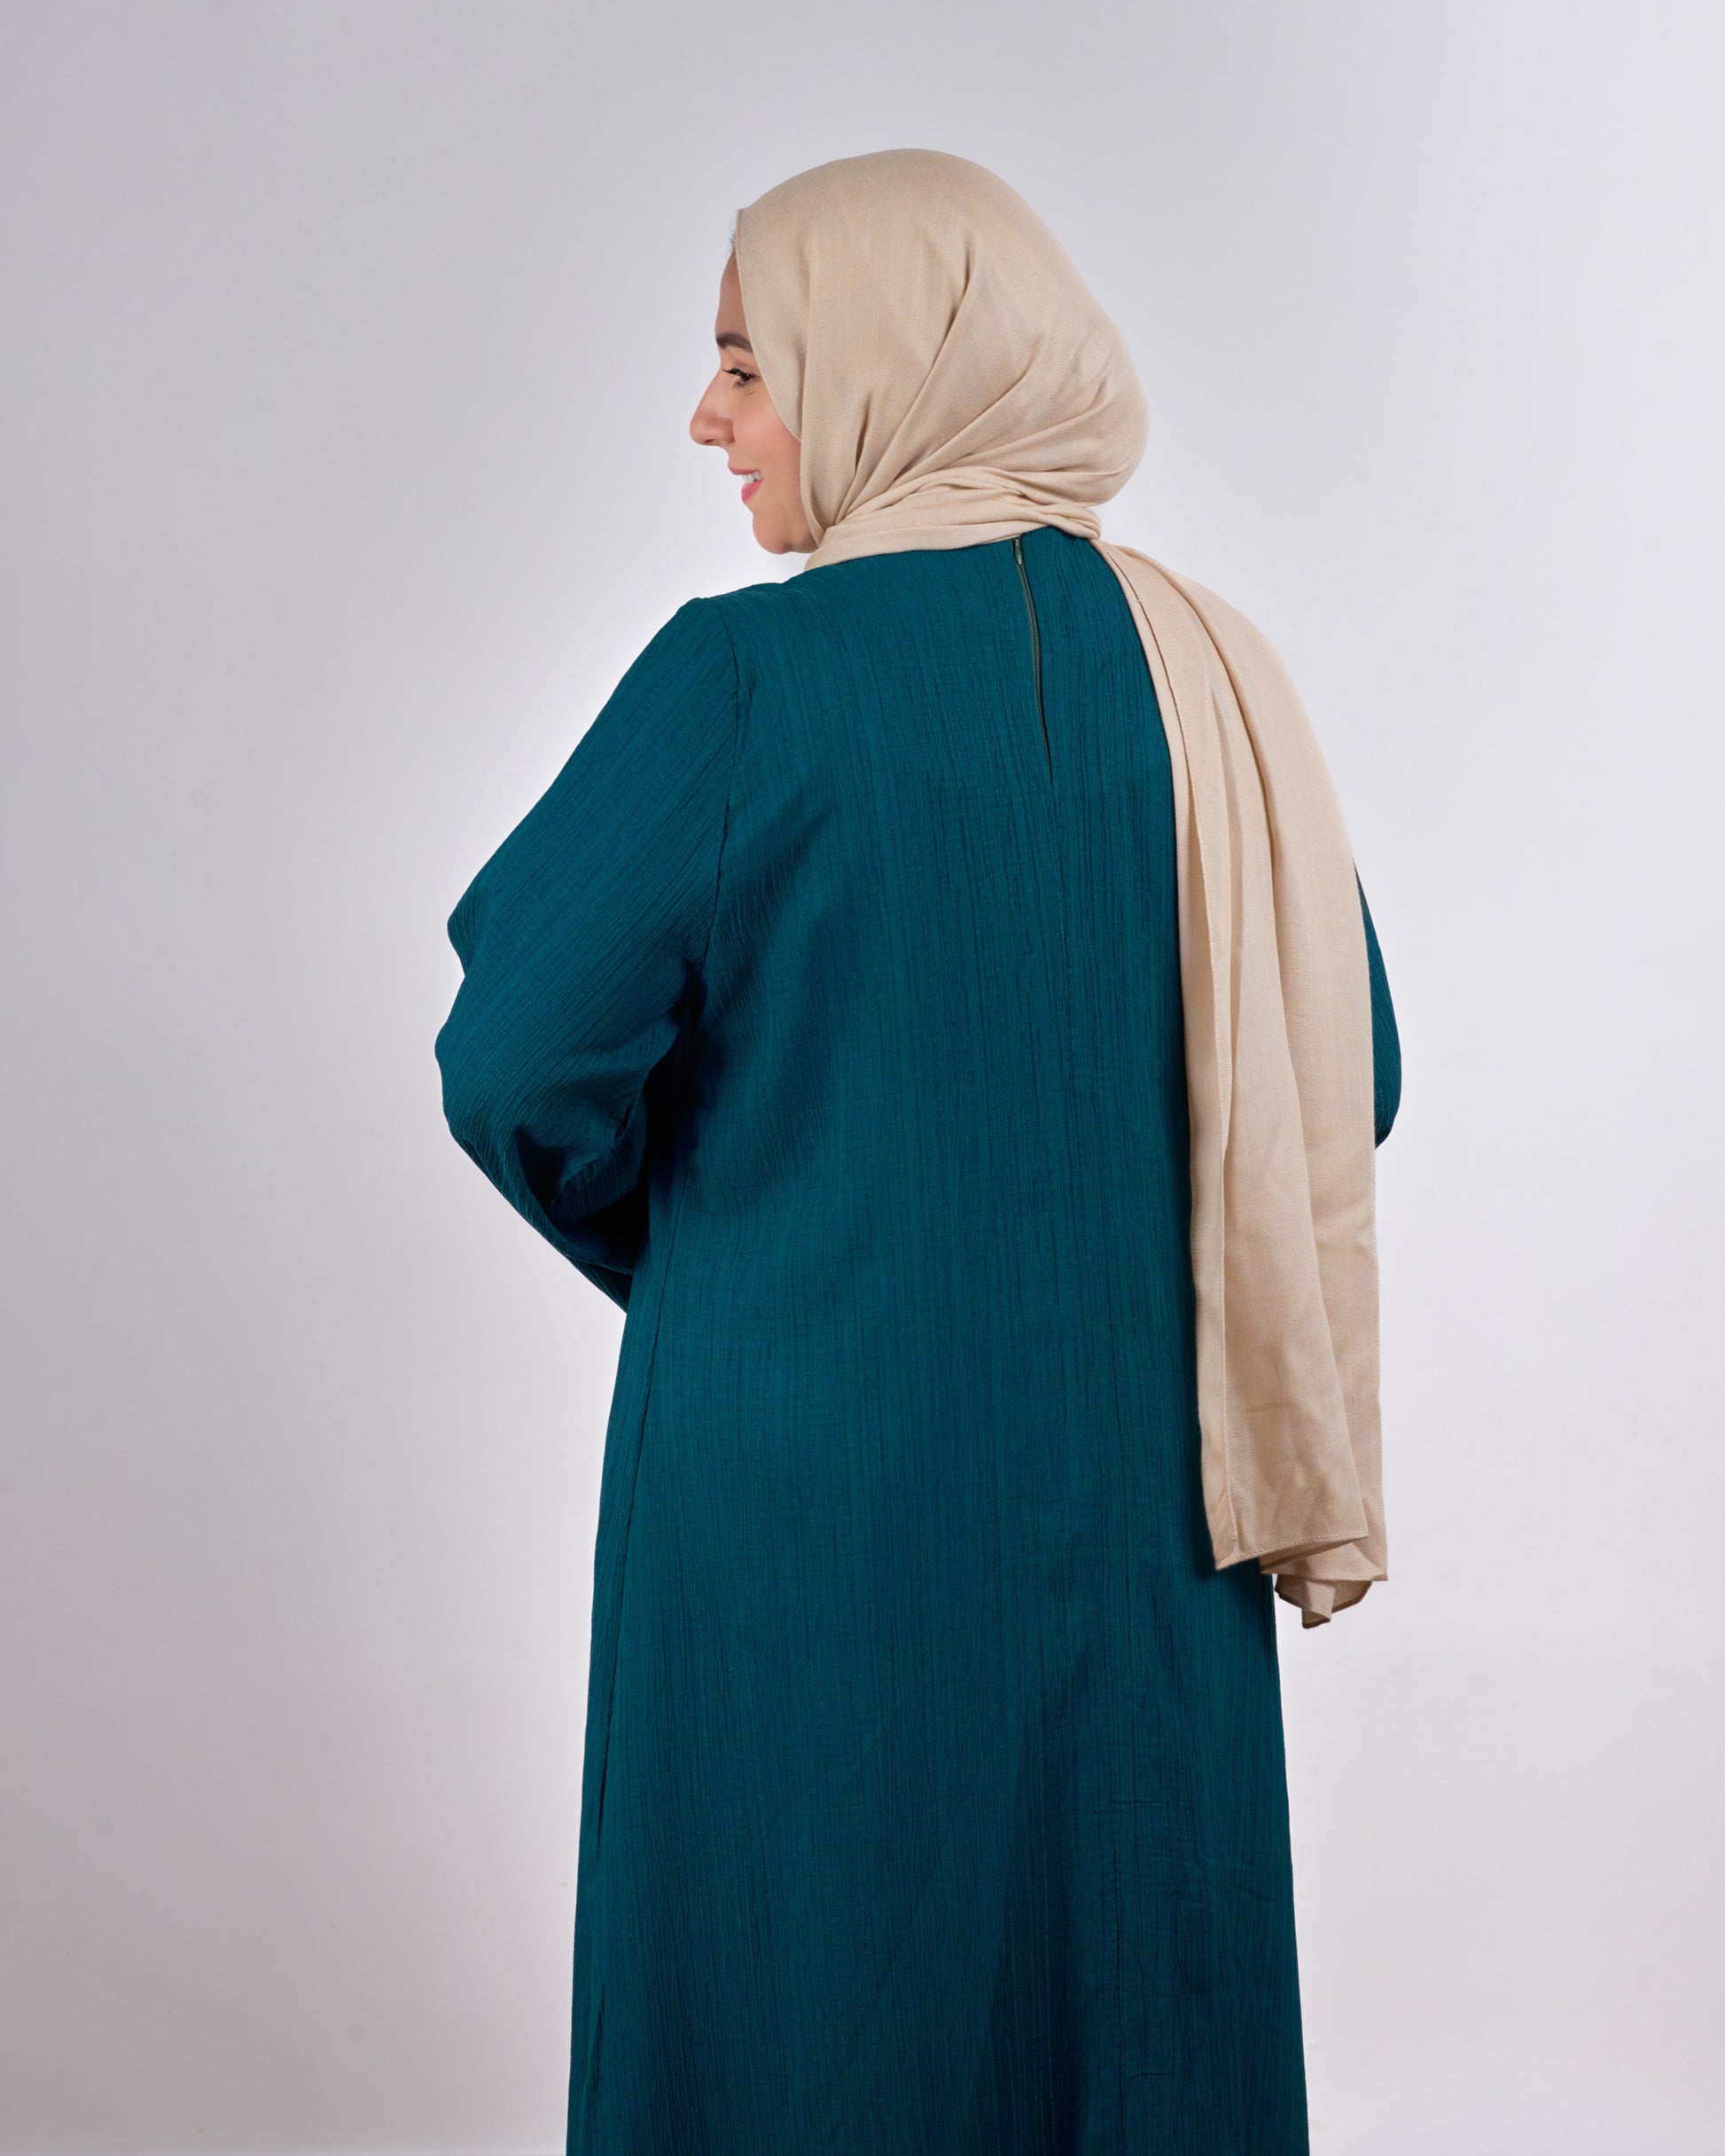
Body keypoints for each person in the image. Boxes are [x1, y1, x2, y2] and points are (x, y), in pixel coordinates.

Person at [436, 148, 1401, 2156]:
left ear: (882, 363)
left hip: (802, 1503)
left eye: (746, 365)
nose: (708, 419)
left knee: (799, 1980)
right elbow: (1348, 1068)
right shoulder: (1214, 686)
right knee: (1127, 1999)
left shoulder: (746, 678)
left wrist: (737, 1244)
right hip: (1152, 1502)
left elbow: (519, 1057)